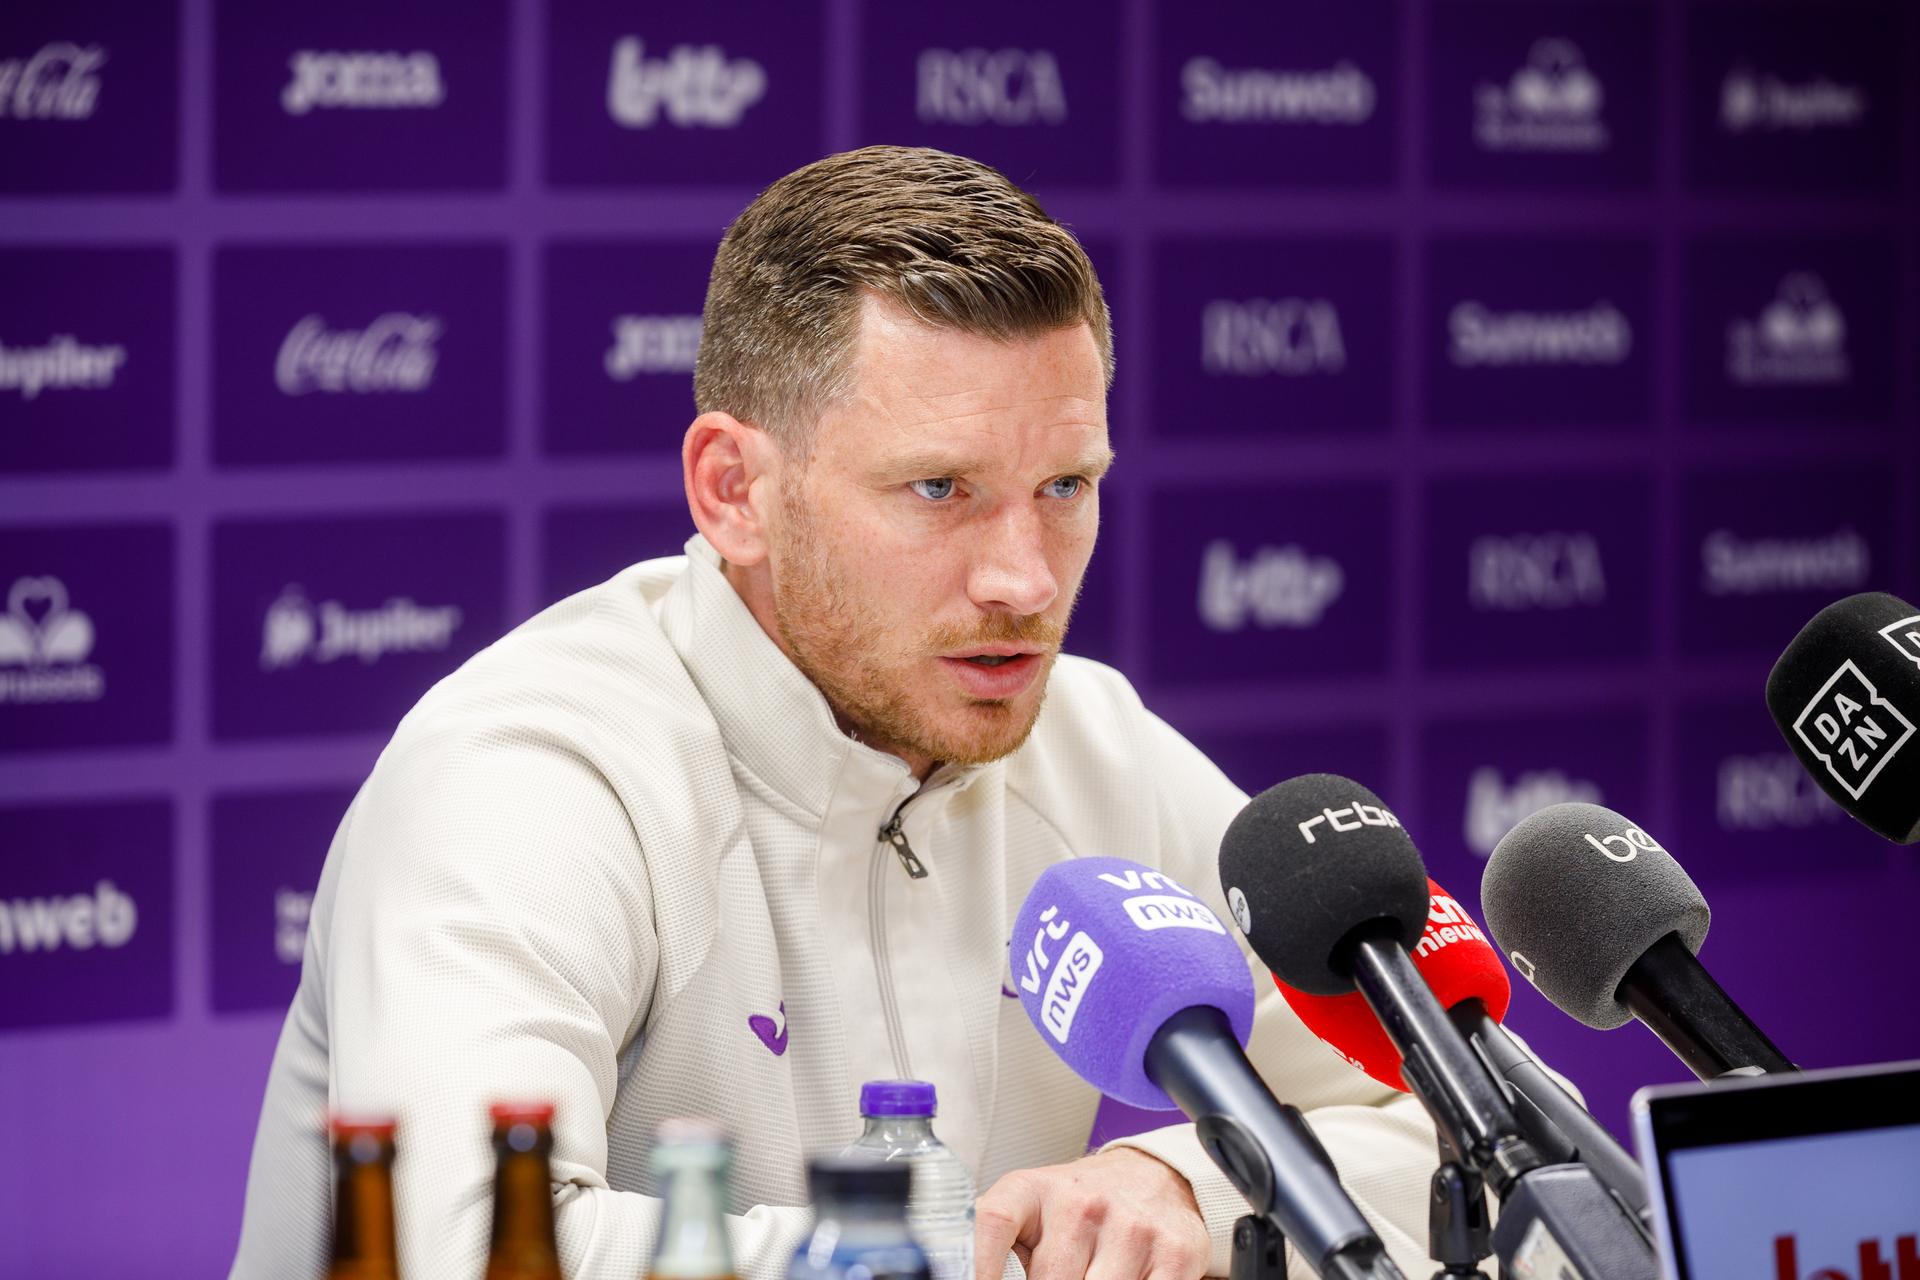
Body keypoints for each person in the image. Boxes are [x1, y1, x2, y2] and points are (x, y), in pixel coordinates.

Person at [232, 146, 1440, 1280]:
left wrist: (1181, 1176)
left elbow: (1477, 1129)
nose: (1024, 580)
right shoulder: (525, 772)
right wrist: (976, 1257)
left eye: (1065, 485)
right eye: (939, 487)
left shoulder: (1093, 745)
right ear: (734, 490)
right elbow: (468, 1246)